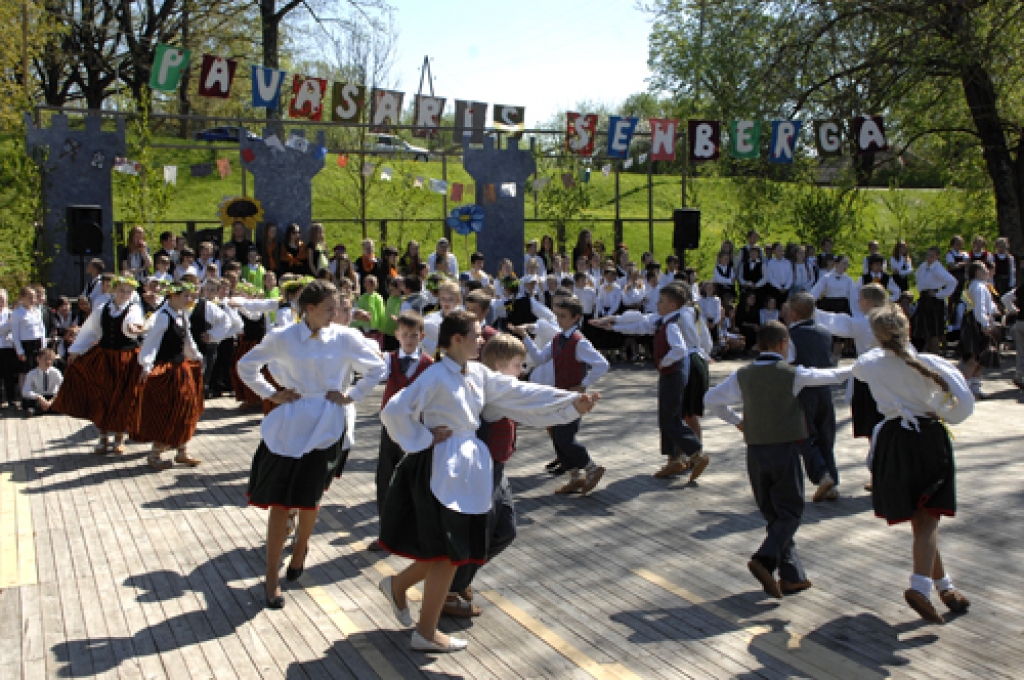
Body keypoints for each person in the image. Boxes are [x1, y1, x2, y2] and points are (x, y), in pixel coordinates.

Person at [377, 310, 600, 652]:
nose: (482, 340)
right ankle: (423, 626)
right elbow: (394, 410)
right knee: (447, 551)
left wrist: (571, 402)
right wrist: (422, 437)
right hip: (440, 467)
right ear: (457, 340)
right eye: (477, 335)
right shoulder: (435, 375)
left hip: (465, 467)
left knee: (449, 551)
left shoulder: (477, 373)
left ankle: (408, 603)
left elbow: (520, 393)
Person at [238, 281, 385, 609]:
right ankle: (271, 577)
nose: (336, 314)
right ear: (310, 308)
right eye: (330, 308)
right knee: (279, 500)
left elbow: (377, 367)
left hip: (327, 424)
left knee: (309, 497)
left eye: (336, 308)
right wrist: (271, 392)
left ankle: (302, 545)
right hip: (291, 423)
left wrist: (353, 394)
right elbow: (246, 365)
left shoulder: (345, 338)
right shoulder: (283, 337)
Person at [705, 321, 852, 599]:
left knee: (775, 514)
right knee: (792, 512)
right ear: (784, 345)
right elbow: (830, 376)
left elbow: (711, 399)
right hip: (784, 451)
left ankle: (793, 576)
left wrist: (738, 422)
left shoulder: (742, 375)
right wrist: (860, 367)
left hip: (756, 453)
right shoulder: (791, 373)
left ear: (759, 345)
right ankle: (764, 558)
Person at [852, 304, 973, 624]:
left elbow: (860, 369)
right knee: (928, 515)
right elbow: (965, 406)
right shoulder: (931, 363)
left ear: (876, 336)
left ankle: (944, 587)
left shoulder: (869, 363)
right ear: (907, 328)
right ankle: (920, 586)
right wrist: (942, 414)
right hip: (928, 437)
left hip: (894, 440)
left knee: (922, 520)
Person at [444, 333, 528, 617]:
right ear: (500, 365)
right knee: (479, 533)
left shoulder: (506, 390)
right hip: (482, 471)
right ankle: (451, 590)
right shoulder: (488, 394)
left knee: (505, 530)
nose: (522, 371)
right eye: (518, 364)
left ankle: (460, 579)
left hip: (498, 470)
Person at [590, 283, 710, 481]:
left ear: (675, 302)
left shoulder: (680, 317)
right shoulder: (668, 317)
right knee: (671, 414)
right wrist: (614, 323)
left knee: (683, 413)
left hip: (685, 364)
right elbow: (644, 323)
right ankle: (677, 458)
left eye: (661, 300)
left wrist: (666, 361)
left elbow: (680, 343)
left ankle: (694, 453)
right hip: (679, 365)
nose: (657, 304)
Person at [511, 296, 608, 494]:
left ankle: (591, 467)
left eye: (563, 316)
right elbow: (539, 358)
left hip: (574, 398)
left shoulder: (579, 342)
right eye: (558, 316)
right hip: (559, 396)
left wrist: (583, 385)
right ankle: (575, 476)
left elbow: (602, 364)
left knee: (564, 437)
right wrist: (525, 337)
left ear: (576, 318)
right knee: (557, 435)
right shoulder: (558, 339)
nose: (559, 320)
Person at [52, 274, 144, 454]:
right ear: (114, 291)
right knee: (102, 396)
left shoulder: (134, 308)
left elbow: (133, 322)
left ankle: (119, 437)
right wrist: (76, 351)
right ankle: (103, 438)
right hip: (106, 357)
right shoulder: (103, 308)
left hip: (127, 358)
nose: (125, 294)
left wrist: (132, 328)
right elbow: (89, 331)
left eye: (128, 291)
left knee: (122, 397)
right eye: (122, 290)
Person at [372, 311, 433, 551]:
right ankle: (386, 534)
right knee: (385, 479)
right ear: (396, 335)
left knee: (417, 481)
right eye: (405, 335)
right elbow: (372, 373)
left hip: (417, 429)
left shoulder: (430, 365)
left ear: (422, 336)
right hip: (390, 429)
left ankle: (417, 533)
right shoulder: (388, 360)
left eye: (414, 335)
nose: (409, 339)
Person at [134, 281, 205, 470]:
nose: (189, 299)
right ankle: (155, 454)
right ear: (173, 296)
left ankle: (182, 451)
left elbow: (187, 341)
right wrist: (146, 365)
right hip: (167, 368)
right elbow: (152, 342)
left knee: (186, 407)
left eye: (190, 296)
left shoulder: (182, 315)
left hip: (181, 367)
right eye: (185, 296)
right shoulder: (163, 317)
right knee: (167, 410)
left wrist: (196, 356)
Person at [784, 293, 841, 502]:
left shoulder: (791, 336)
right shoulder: (825, 332)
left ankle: (822, 475)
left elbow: (788, 363)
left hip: (803, 391)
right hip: (824, 388)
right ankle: (832, 480)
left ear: (794, 313)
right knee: (826, 436)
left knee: (805, 436)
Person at [959, 262, 999, 398]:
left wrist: (994, 312)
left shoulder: (982, 286)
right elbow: (979, 308)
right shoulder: (978, 286)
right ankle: (964, 389)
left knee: (983, 358)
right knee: (973, 358)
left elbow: (988, 305)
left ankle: (975, 387)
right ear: (978, 272)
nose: (988, 272)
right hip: (976, 324)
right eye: (985, 270)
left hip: (978, 322)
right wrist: (985, 325)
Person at [913, 247, 958, 353]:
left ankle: (936, 352)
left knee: (934, 330)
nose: (929, 258)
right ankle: (927, 351)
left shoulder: (938, 268)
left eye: (932, 256)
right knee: (925, 329)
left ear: (937, 257)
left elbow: (952, 282)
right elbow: (918, 277)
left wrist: (939, 294)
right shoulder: (923, 266)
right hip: (924, 298)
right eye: (928, 255)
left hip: (934, 300)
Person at [10, 286, 46, 391]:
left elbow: (41, 329)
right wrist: (20, 351)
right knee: (25, 371)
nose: (33, 300)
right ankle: (26, 397)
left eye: (34, 297)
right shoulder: (16, 313)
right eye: (30, 297)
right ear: (22, 298)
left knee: (37, 369)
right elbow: (15, 334)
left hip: (37, 343)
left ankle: (37, 394)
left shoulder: (36, 311)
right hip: (25, 344)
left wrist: (43, 346)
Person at [20, 347, 62, 415]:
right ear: (38, 359)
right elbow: (25, 391)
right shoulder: (31, 373)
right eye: (45, 359)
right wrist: (39, 397)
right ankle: (48, 409)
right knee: (26, 401)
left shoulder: (56, 372)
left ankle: (38, 411)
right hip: (39, 397)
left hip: (52, 396)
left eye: (51, 360)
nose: (48, 362)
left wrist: (50, 402)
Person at [0, 289, 17, 409]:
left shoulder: (11, 314)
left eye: (2, 298)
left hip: (8, 347)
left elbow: (14, 329)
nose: (1, 301)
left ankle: (11, 399)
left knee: (9, 375)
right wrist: (7, 327)